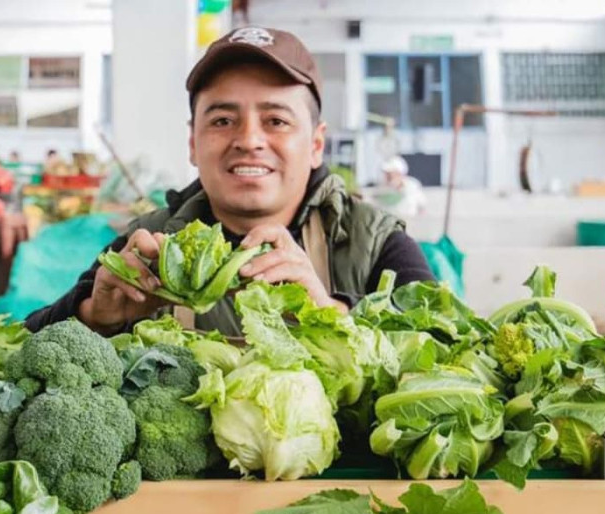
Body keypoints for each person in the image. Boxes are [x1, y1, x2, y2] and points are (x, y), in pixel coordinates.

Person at [26, 27, 435, 336]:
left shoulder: (373, 243)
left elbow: (452, 348)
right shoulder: (147, 244)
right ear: (192, 142)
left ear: (315, 144)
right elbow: (26, 341)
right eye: (223, 121)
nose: (249, 140)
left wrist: (330, 313)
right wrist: (93, 317)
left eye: (275, 120)